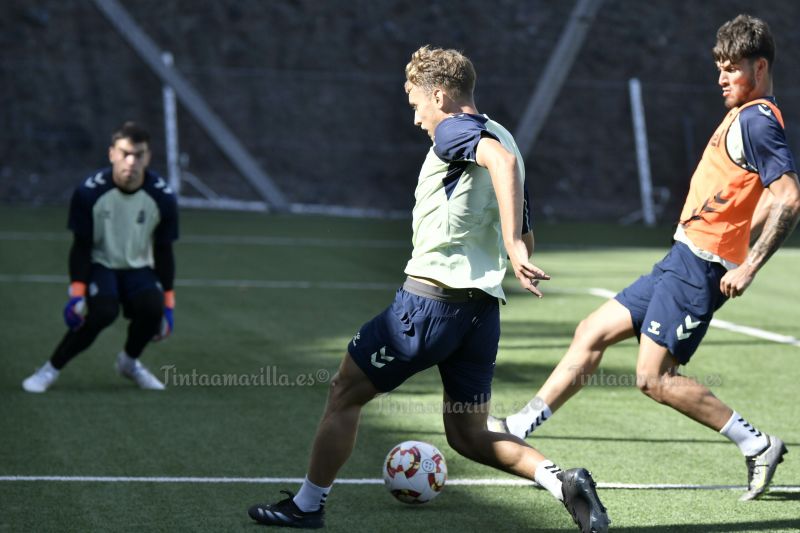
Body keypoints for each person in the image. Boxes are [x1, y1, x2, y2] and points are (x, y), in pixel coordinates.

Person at [247, 46, 610, 533]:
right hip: (480, 315)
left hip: (426, 308)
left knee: (343, 393)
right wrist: (518, 251)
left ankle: (308, 505)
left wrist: (511, 247)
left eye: (416, 102)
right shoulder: (506, 134)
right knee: (468, 433)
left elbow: (498, 165)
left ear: (439, 94)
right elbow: (520, 214)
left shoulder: (456, 130)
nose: (416, 117)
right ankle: (561, 482)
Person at [489, 14, 799, 502]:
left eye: (732, 68)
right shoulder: (746, 116)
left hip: (698, 269)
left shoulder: (759, 121)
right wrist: (737, 236)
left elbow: (789, 196)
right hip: (682, 258)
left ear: (759, 68)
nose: (721, 78)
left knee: (653, 379)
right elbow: (758, 198)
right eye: (718, 67)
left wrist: (749, 264)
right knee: (592, 331)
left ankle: (756, 444)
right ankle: (519, 426)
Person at [22, 121, 178, 393]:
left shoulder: (162, 197)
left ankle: (129, 363)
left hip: (138, 268)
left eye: (138, 154)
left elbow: (164, 250)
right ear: (111, 154)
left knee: (152, 309)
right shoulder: (89, 193)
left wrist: (168, 303)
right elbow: (81, 246)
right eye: (124, 153)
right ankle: (50, 369)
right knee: (103, 312)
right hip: (100, 264)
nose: (131, 161)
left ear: (148, 157)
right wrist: (76, 293)